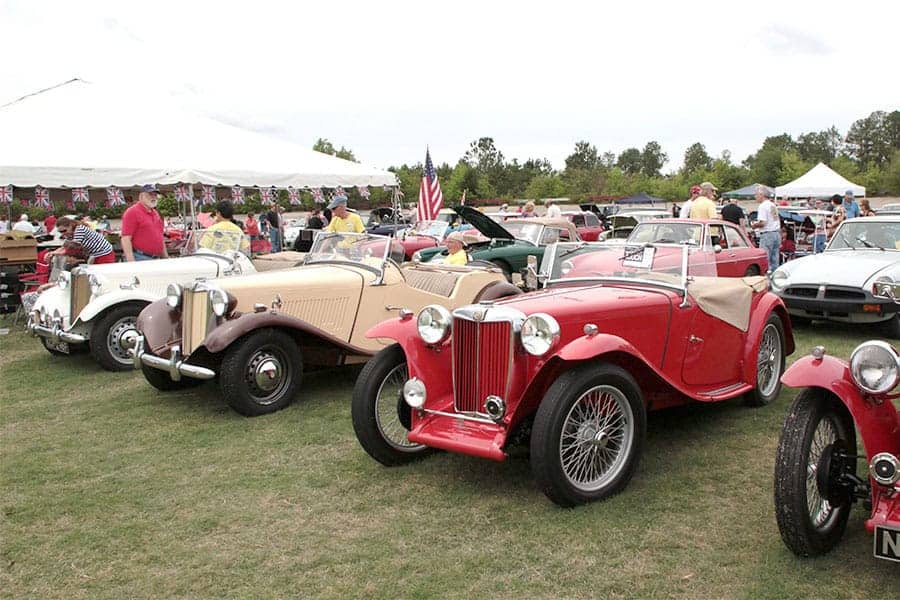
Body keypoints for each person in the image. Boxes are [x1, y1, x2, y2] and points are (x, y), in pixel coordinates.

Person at [121, 184, 167, 261]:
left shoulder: (155, 213)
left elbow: (160, 237)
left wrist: (165, 257)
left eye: (155, 195)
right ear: (141, 196)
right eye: (150, 194)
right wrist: (131, 262)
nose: (153, 197)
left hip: (155, 257)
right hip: (140, 257)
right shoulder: (132, 212)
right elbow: (125, 239)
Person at [51, 216, 116, 264]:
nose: (63, 233)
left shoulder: (79, 229)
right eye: (60, 232)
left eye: (64, 230)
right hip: (95, 255)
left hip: (104, 254)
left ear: (70, 226)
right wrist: (52, 253)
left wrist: (55, 253)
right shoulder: (70, 234)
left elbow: (73, 248)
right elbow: (65, 247)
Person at [751, 186, 781, 273]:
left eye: (756, 194)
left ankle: (766, 278)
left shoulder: (763, 206)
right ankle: (775, 277)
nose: (755, 197)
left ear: (761, 195)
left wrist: (754, 225)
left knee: (765, 259)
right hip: (776, 233)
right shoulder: (772, 205)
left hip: (767, 234)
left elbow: (763, 223)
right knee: (775, 260)